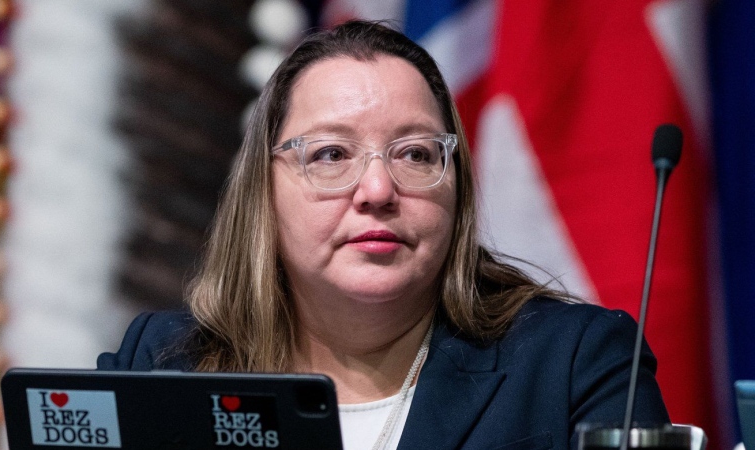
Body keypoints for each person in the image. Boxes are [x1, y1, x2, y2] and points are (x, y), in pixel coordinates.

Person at [98, 20, 670, 449]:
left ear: (457, 188)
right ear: (264, 193)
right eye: (330, 154)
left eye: (415, 154)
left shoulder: (575, 364)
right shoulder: (160, 363)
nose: (376, 189)